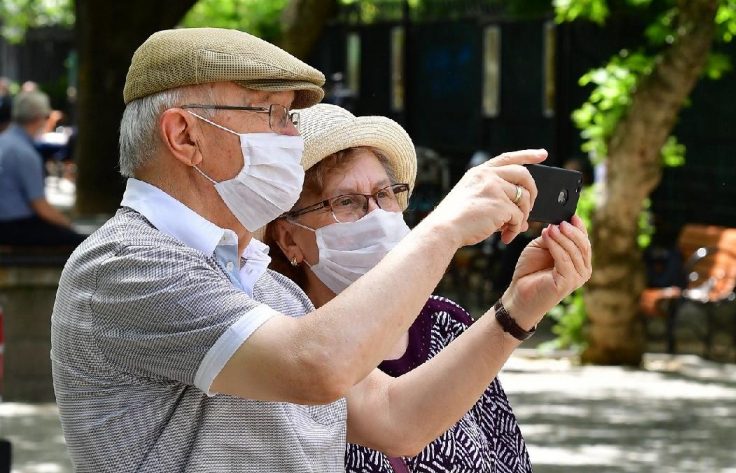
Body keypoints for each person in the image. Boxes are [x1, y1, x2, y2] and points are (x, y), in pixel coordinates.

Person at [51, 27, 592, 472]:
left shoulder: (266, 286)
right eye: (271, 114)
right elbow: (315, 366)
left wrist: (517, 309)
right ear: (185, 136)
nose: (291, 136)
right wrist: (444, 227)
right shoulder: (124, 264)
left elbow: (394, 418)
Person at [263, 104, 532, 472]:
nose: (375, 216)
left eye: (385, 194)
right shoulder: (282, 340)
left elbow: (509, 460)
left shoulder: (445, 325)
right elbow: (394, 419)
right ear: (289, 239)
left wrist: (527, 299)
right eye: (345, 202)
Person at [0, 90, 85, 246]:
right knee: (80, 243)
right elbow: (40, 206)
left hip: (8, 223)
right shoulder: (25, 153)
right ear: (39, 118)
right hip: (13, 226)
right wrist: (68, 225)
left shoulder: (5, 141)